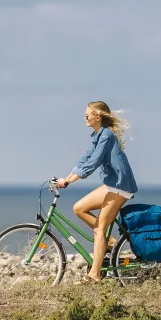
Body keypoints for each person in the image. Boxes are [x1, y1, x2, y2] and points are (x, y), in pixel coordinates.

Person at [52, 100, 137, 283]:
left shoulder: (106, 135)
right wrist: (66, 178)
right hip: (111, 185)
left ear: (97, 117)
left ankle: (95, 275)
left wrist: (70, 181)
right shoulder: (98, 135)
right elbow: (85, 159)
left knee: (100, 228)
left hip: (121, 186)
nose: (85, 117)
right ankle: (111, 243)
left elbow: (93, 163)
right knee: (79, 208)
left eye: (87, 115)